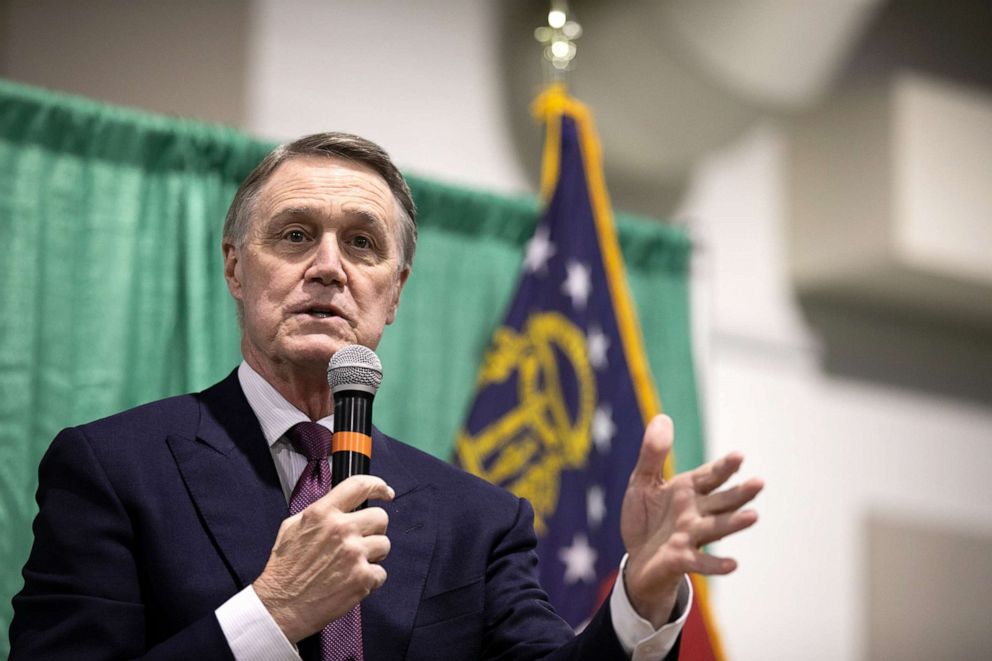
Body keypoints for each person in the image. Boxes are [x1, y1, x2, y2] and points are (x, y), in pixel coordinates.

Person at [9, 133, 763, 660]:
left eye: (362, 243)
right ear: (236, 269)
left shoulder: (480, 519)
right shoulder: (112, 469)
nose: (329, 268)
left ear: (393, 292)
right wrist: (269, 613)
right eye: (296, 235)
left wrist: (639, 592)